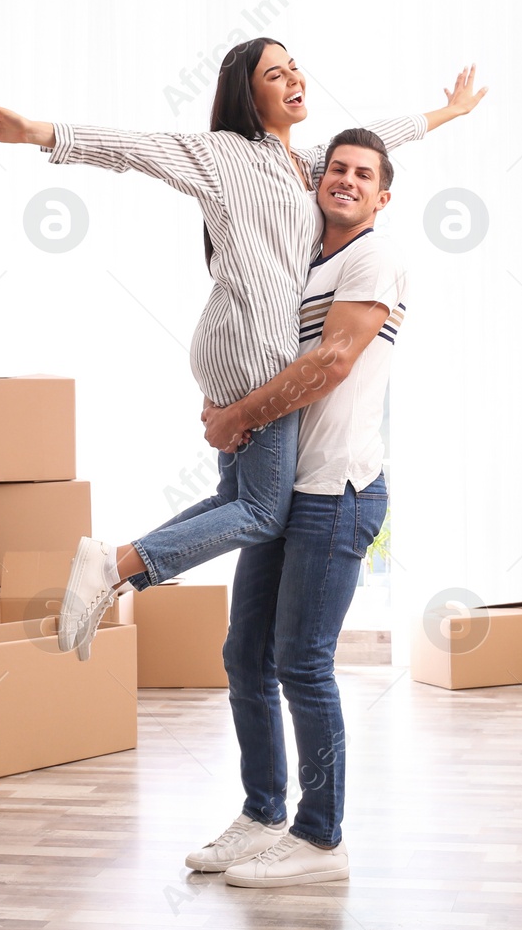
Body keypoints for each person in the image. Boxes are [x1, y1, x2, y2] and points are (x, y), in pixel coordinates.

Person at [0, 42, 485, 658]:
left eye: (295, 68)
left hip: (241, 344)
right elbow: (136, 149)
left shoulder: (308, 165)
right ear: (248, 92)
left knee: (239, 503)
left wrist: (449, 113)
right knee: (263, 513)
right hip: (253, 344)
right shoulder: (223, 154)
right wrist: (40, 133)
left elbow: (376, 142)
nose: (293, 78)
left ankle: (109, 565)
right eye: (274, 73)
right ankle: (117, 566)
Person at [187, 128, 406, 887]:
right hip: (279, 488)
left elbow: (331, 362)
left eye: (363, 174)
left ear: (383, 195)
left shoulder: (373, 257)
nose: (346, 179)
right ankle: (261, 812)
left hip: (335, 491)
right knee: (245, 655)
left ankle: (320, 837)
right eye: (337, 168)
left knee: (304, 665)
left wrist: (237, 412)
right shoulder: (308, 263)